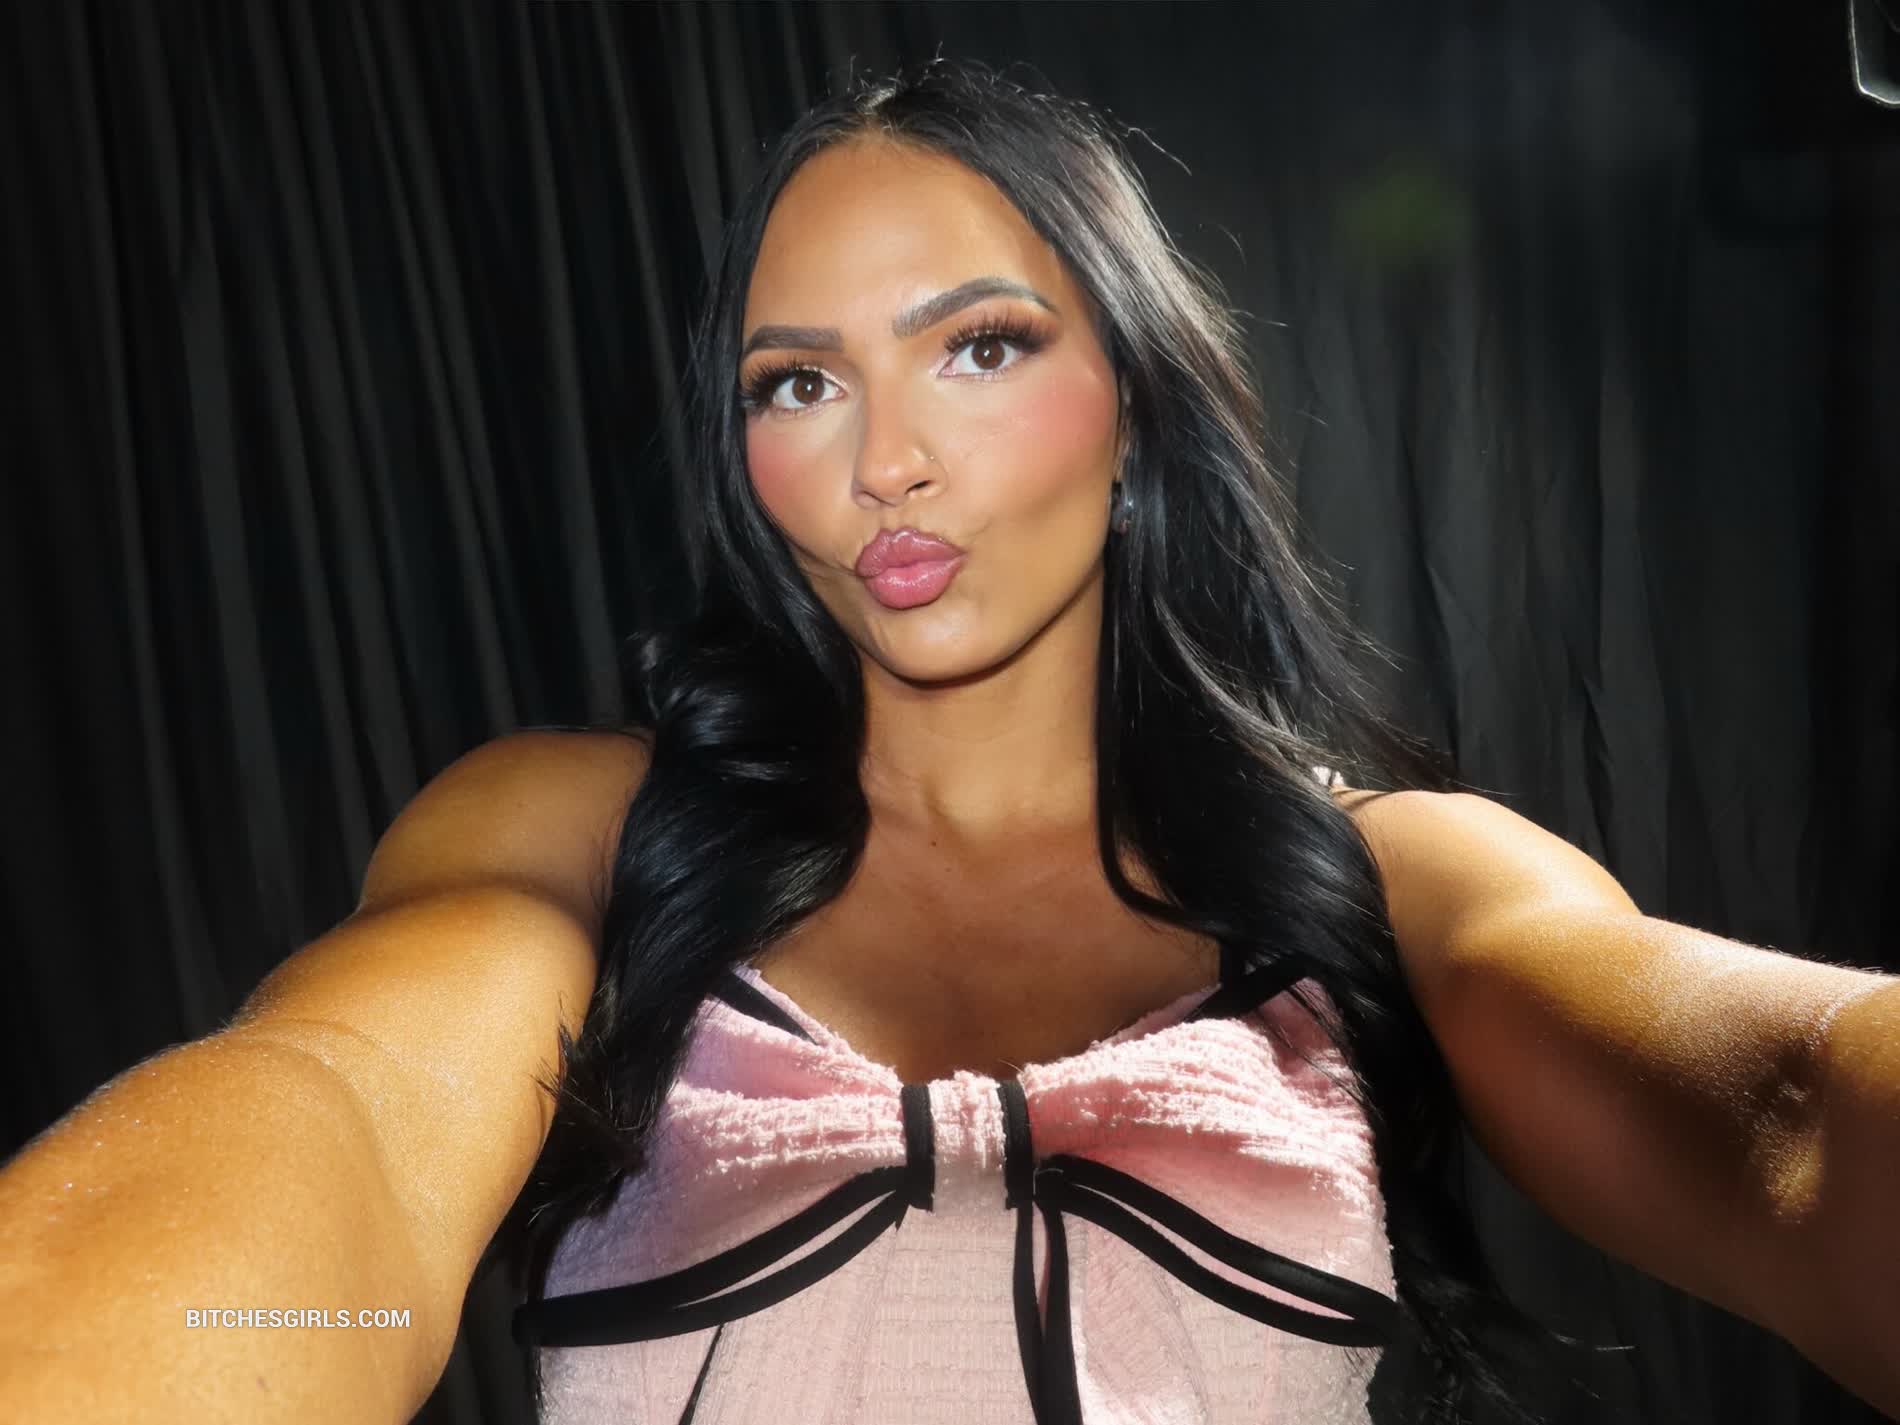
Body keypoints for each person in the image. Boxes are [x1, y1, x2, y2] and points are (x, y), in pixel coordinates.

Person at [1, 56, 1896, 1425]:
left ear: (1134, 400)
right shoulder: (576, 835)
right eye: (798, 381)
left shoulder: (1396, 880)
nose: (884, 458)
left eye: (977, 346)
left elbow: (1798, 1111)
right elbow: (332, 1116)